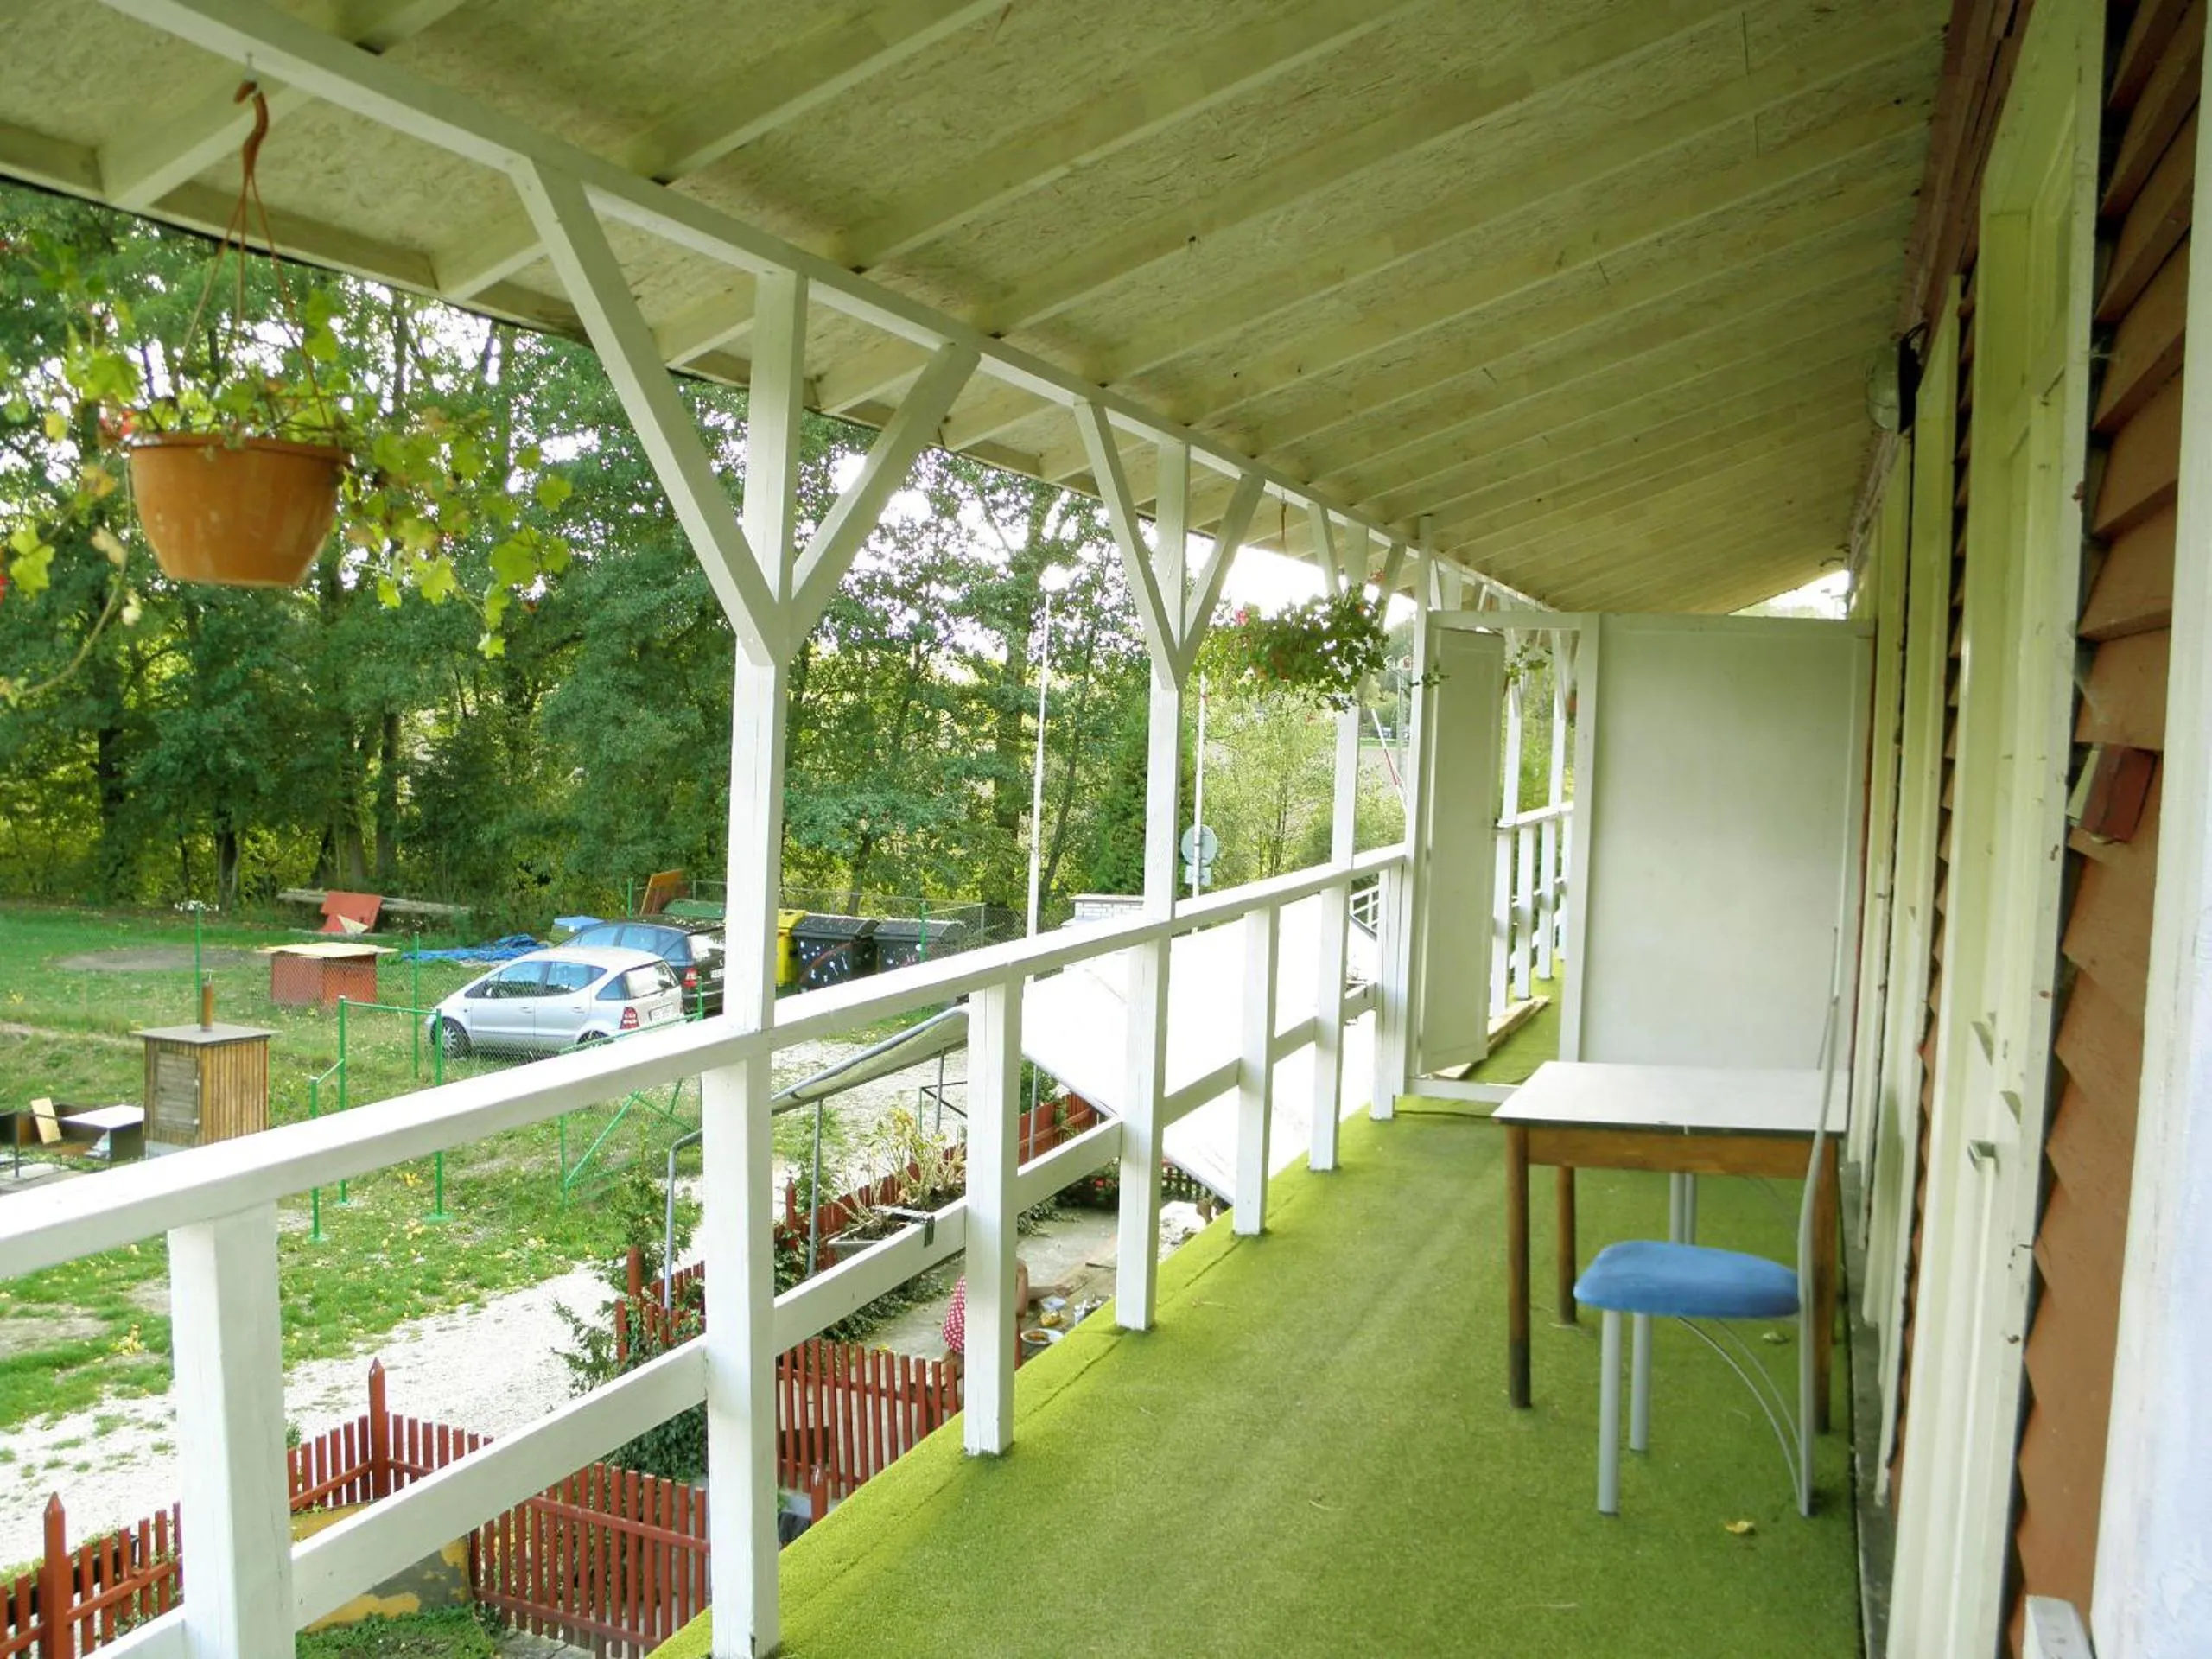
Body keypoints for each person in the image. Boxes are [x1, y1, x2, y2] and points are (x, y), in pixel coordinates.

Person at [942, 1257, 1063, 1376]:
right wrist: (1023, 1275)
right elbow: (1019, 1311)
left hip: (959, 1333)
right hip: (967, 1339)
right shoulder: (988, 1285)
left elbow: (1023, 1293)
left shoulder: (984, 1273)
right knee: (1013, 1322)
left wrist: (1052, 1289)